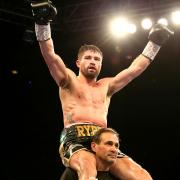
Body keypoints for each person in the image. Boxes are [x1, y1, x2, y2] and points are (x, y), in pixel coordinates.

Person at [31, 1, 174, 180]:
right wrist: (42, 23)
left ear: (101, 64)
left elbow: (134, 70)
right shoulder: (68, 80)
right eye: (88, 58)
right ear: (78, 63)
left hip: (103, 140)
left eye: (97, 59)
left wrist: (155, 43)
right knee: (88, 168)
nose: (92, 61)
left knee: (141, 175)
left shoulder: (107, 86)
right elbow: (50, 56)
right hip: (75, 138)